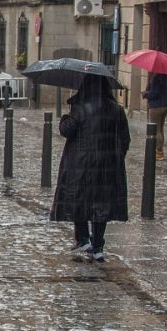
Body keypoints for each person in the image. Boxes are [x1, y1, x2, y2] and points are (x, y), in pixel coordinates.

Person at [50, 76, 130, 262]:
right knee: (101, 203)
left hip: (81, 163)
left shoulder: (81, 107)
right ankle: (98, 245)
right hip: (107, 165)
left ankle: (83, 238)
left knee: (80, 199)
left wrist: (66, 115)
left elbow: (66, 130)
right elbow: (125, 139)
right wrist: (116, 157)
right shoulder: (116, 109)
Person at [142, 71, 167, 161]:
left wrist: (145, 94)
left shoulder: (156, 78)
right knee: (160, 128)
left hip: (156, 106)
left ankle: (158, 152)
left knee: (156, 129)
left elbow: (154, 93)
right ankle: (159, 150)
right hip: (166, 106)